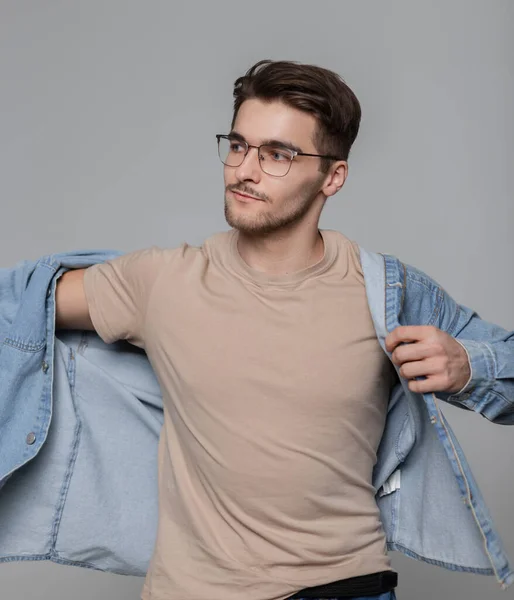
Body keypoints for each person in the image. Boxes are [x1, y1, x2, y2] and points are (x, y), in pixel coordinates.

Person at [52, 59, 506, 600]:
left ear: (332, 177)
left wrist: (470, 365)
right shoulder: (161, 280)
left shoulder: (384, 290)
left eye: (278, 155)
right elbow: (21, 312)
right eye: (239, 145)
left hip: (341, 586)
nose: (244, 169)